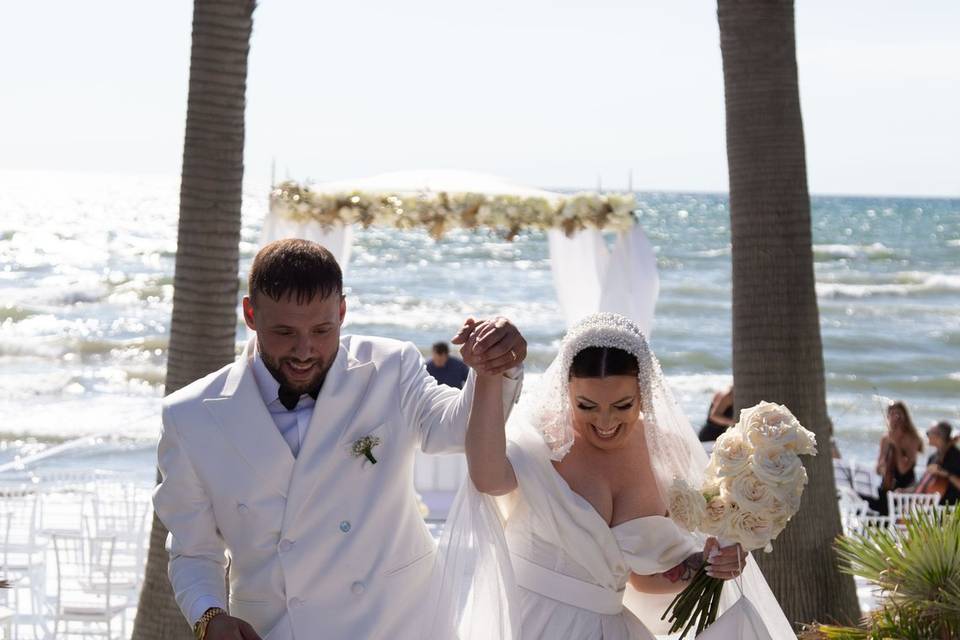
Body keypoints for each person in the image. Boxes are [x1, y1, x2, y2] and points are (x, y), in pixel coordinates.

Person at [153, 239, 527, 640]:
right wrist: (210, 617)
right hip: (277, 629)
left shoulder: (390, 367)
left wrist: (494, 367)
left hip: (400, 621)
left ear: (342, 312)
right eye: (284, 331)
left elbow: (456, 428)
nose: (304, 350)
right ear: (250, 313)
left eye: (321, 330)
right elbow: (194, 551)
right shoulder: (190, 416)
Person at [425, 313, 794, 639]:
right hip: (528, 623)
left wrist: (710, 566)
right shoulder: (543, 438)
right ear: (566, 389)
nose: (604, 422)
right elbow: (487, 478)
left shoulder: (665, 453)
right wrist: (490, 375)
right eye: (586, 405)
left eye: (622, 405)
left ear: (644, 394)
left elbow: (643, 578)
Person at [865, 400, 923, 514]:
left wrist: (895, 445)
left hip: (904, 488)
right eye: (891, 414)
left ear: (904, 417)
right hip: (887, 484)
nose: (894, 418)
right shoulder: (885, 438)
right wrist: (882, 468)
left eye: (898, 414)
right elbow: (878, 467)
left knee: (883, 505)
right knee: (865, 499)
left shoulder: (912, 439)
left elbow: (903, 470)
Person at [921, 420, 960, 505]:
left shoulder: (956, 457)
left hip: (952, 507)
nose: (927, 436)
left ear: (939, 436)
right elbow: (924, 484)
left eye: (929, 433)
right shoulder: (933, 458)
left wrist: (945, 474)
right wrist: (906, 490)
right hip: (934, 507)